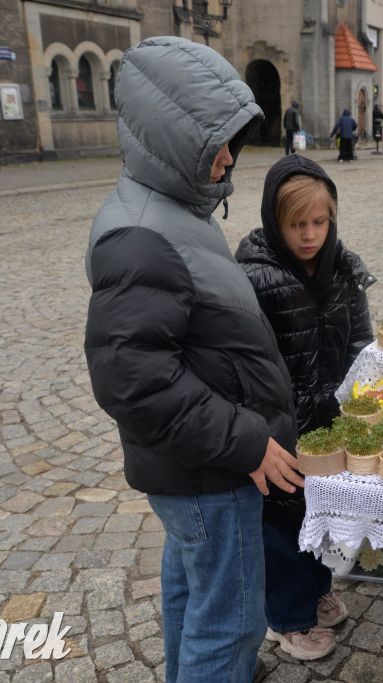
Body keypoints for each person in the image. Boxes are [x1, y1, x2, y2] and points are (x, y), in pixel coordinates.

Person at [84, 37, 303, 683]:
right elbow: (131, 378)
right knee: (230, 620)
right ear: (172, 136)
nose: (230, 157)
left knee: (191, 591)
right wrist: (246, 441)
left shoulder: (175, 203)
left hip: (198, 469)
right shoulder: (140, 234)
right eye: (218, 143)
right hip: (210, 469)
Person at [234, 154, 376, 660]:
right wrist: (258, 427)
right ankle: (287, 620)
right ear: (276, 222)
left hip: (330, 420)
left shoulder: (341, 269)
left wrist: (363, 391)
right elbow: (245, 362)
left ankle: (315, 592)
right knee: (283, 522)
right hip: (279, 423)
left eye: (319, 222)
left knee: (321, 514)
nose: (310, 234)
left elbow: (361, 338)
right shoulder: (256, 277)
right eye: (297, 225)